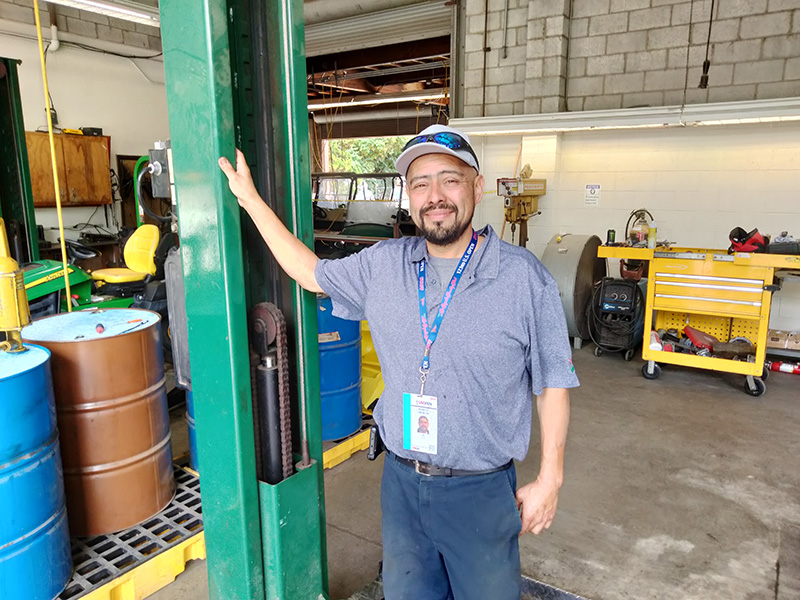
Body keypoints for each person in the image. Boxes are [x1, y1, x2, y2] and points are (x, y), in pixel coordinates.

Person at [219, 124, 579, 600]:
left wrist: (550, 477)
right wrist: (249, 200)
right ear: (409, 198)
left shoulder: (522, 278)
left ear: (476, 184)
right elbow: (309, 272)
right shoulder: (383, 265)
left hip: (481, 492)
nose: (435, 196)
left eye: (449, 179)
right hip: (403, 486)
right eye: (420, 183)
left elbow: (553, 380)